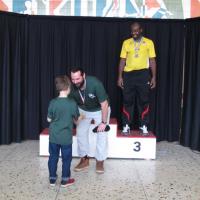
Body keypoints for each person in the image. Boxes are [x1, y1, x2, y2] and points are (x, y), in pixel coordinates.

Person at [117, 22, 156, 136]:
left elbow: (152, 60)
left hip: (143, 74)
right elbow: (122, 60)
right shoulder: (126, 43)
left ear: (141, 30)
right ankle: (126, 125)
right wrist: (120, 76)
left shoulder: (149, 42)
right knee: (127, 101)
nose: (134, 33)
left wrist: (153, 77)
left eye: (136, 30)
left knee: (143, 101)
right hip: (128, 74)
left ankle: (143, 125)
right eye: (132, 31)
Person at [70, 67, 110, 174]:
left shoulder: (95, 83)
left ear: (83, 76)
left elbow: (104, 104)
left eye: (77, 79)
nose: (75, 82)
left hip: (99, 109)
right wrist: (75, 119)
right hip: (83, 110)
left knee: (101, 133)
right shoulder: (71, 86)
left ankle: (100, 160)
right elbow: (71, 105)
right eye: (73, 79)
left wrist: (103, 123)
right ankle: (84, 159)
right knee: (81, 132)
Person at [47, 75, 81, 187]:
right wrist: (81, 118)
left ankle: (52, 179)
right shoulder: (72, 103)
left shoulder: (53, 102)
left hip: (54, 137)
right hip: (66, 138)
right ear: (68, 88)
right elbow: (76, 121)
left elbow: (49, 119)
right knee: (66, 159)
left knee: (53, 157)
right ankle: (65, 180)